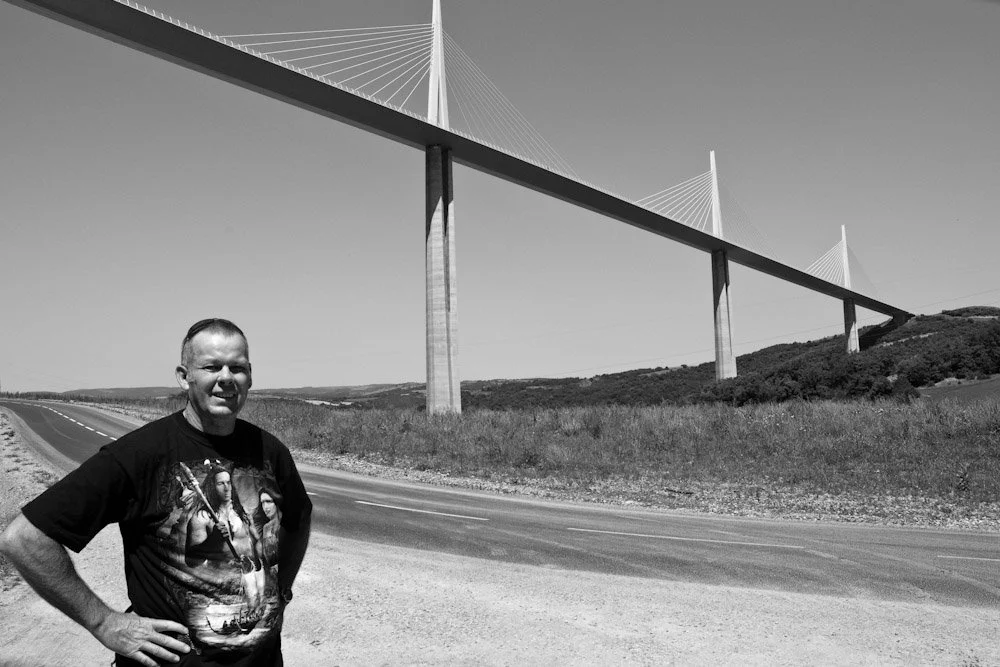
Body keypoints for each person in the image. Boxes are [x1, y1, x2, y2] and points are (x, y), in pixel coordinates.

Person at [0, 318, 312, 666]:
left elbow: (299, 518)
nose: (226, 378)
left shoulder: (269, 451)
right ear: (184, 376)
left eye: (237, 368)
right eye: (211, 367)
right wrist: (103, 622)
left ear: (250, 377)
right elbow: (23, 538)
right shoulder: (139, 455)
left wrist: (282, 592)